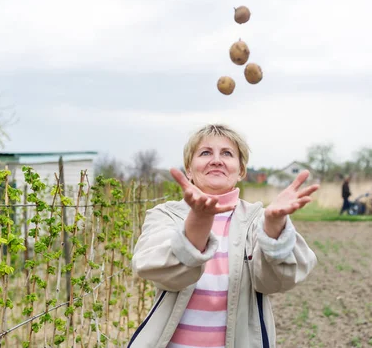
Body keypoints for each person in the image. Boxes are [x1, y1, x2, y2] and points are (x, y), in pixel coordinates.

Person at [128, 124, 319, 348]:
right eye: (205, 152)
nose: (216, 160)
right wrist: (199, 220)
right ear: (189, 169)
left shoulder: (258, 219)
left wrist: (275, 226)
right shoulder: (166, 215)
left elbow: (275, 281)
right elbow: (154, 269)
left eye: (227, 153)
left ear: (241, 170)